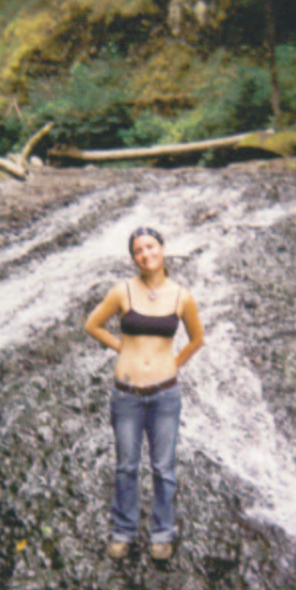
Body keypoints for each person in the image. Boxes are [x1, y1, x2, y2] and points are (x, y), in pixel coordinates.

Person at [85, 226, 204, 560]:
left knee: (163, 468)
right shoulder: (122, 291)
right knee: (126, 466)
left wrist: (173, 364)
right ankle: (123, 531)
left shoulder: (181, 296)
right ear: (133, 257)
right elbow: (92, 325)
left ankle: (161, 533)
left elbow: (197, 339)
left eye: (150, 247)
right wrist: (121, 348)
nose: (145, 254)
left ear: (162, 249)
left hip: (165, 395)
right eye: (138, 250)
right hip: (127, 394)